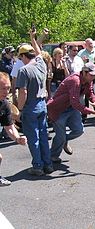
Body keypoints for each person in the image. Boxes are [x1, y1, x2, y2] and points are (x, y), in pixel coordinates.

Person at [47, 62, 95, 163]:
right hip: (58, 110)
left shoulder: (88, 80)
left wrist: (94, 100)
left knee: (79, 130)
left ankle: (64, 141)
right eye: (91, 75)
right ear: (84, 72)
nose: (93, 78)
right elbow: (75, 103)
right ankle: (52, 156)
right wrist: (94, 112)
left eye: (94, 75)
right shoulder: (75, 81)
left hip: (71, 109)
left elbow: (90, 92)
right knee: (60, 136)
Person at [16, 29, 53, 176]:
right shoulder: (41, 64)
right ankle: (48, 164)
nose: (21, 60)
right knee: (43, 136)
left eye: (21, 57)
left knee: (33, 138)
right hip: (42, 105)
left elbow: (23, 92)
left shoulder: (24, 71)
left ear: (24, 56)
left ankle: (37, 166)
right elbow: (38, 51)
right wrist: (34, 38)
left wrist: (19, 109)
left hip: (30, 106)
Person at [0, 72, 27, 186]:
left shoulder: (5, 104)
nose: (6, 92)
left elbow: (9, 126)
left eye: (8, 88)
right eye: (2, 88)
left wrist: (17, 138)